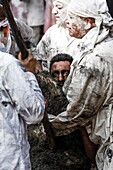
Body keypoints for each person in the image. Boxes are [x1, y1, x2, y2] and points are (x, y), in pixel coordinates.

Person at [47, 0, 113, 169]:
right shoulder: (98, 48)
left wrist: (48, 125)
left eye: (72, 17)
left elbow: (80, 109)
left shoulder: (94, 59)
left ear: (88, 22)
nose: (67, 21)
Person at [0, 45, 45, 169]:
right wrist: (29, 74)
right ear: (5, 30)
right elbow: (34, 113)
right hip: (9, 161)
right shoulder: (7, 64)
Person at [36, 0, 80, 71]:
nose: (54, 11)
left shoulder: (88, 35)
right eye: (54, 7)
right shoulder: (52, 32)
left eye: (59, 7)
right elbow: (38, 58)